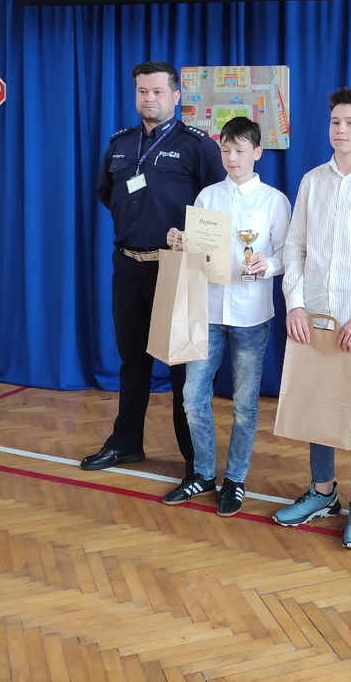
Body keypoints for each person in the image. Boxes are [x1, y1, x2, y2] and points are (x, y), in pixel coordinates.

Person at [81, 61, 225, 484]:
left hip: (177, 267)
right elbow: (107, 192)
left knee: (182, 368)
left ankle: (195, 461)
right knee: (133, 360)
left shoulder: (196, 145)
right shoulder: (120, 143)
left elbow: (218, 202)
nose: (149, 98)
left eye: (158, 91)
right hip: (129, 264)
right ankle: (126, 442)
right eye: (143, 91)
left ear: (176, 96)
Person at [273, 88, 351, 549]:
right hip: (313, 315)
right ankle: (323, 491)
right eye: (335, 122)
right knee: (317, 401)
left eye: (350, 123)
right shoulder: (312, 181)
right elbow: (295, 247)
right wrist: (294, 304)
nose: (340, 130)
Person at [162, 117, 291, 516]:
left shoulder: (273, 201)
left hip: (252, 314)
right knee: (192, 397)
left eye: (240, 150)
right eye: (226, 150)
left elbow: (288, 255)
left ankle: (235, 478)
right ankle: (203, 472)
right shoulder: (207, 197)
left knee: (244, 404)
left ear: (257, 153)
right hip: (209, 309)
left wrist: (267, 265)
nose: (232, 158)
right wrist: (181, 243)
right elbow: (198, 253)